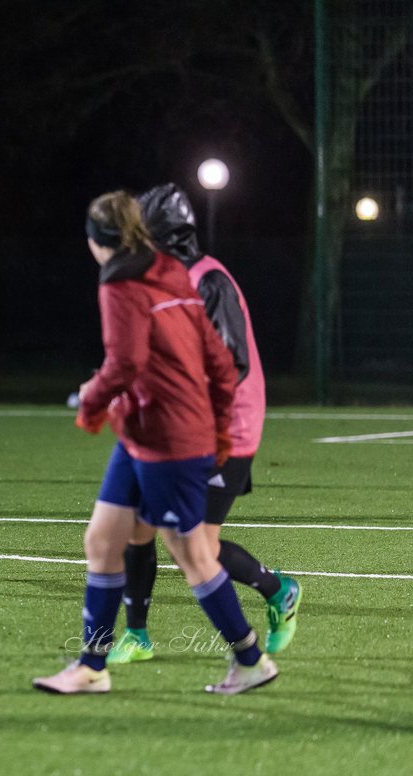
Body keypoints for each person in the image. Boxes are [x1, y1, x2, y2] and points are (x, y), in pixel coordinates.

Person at [33, 190, 277, 695]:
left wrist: (90, 401)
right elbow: (215, 355)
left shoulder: (119, 283)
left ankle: (251, 660)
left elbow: (126, 364)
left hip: (168, 435)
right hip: (143, 433)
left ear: (97, 241)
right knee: (103, 542)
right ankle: (91, 666)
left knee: (191, 553)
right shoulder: (169, 270)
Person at [106, 183, 300, 664]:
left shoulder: (208, 280)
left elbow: (230, 364)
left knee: (197, 550)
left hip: (226, 430)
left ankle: (279, 591)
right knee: (137, 527)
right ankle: (137, 636)